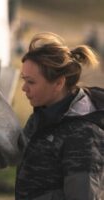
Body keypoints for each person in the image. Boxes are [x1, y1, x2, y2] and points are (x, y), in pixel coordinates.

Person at [16, 32, 104, 200]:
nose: (24, 88)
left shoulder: (85, 135)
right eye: (24, 80)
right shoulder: (44, 113)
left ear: (58, 83)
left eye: (31, 82)